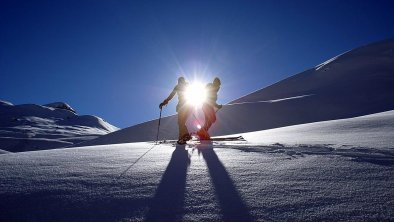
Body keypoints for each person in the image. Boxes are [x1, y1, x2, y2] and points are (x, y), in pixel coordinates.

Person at [160, 77, 193, 144]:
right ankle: (183, 136)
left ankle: (184, 136)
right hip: (189, 106)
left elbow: (171, 95)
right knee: (181, 122)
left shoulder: (178, 86)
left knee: (180, 122)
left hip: (183, 106)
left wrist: (164, 102)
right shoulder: (187, 85)